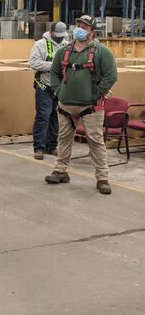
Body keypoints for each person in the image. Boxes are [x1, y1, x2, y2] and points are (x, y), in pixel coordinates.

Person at [45, 13, 117, 194]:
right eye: (78, 26)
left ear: (92, 31)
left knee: (95, 141)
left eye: (85, 27)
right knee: (63, 139)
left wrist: (96, 93)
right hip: (65, 105)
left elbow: (111, 75)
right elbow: (54, 72)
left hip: (91, 107)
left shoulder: (102, 52)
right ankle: (61, 170)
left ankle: (102, 178)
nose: (80, 30)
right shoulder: (64, 51)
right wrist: (58, 90)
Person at [28, 21, 68, 160]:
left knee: (56, 117)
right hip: (44, 85)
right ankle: (39, 147)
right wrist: (54, 66)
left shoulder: (66, 45)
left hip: (60, 87)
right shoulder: (41, 45)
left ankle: (52, 146)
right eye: (58, 35)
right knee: (43, 116)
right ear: (51, 33)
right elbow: (34, 63)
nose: (60, 37)